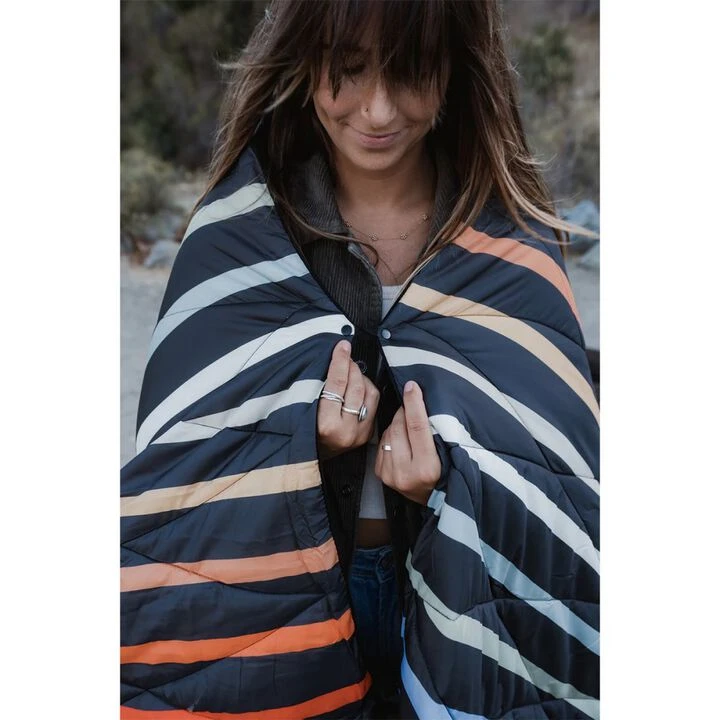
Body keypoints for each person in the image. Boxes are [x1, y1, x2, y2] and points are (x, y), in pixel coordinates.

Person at [120, 2, 600, 719]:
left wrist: (447, 484)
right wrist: (299, 442)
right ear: (306, 61)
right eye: (347, 71)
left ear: (453, 70)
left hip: (466, 612)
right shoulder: (233, 238)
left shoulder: (518, 250)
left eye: (410, 73)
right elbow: (180, 479)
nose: (377, 110)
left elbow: (558, 490)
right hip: (277, 613)